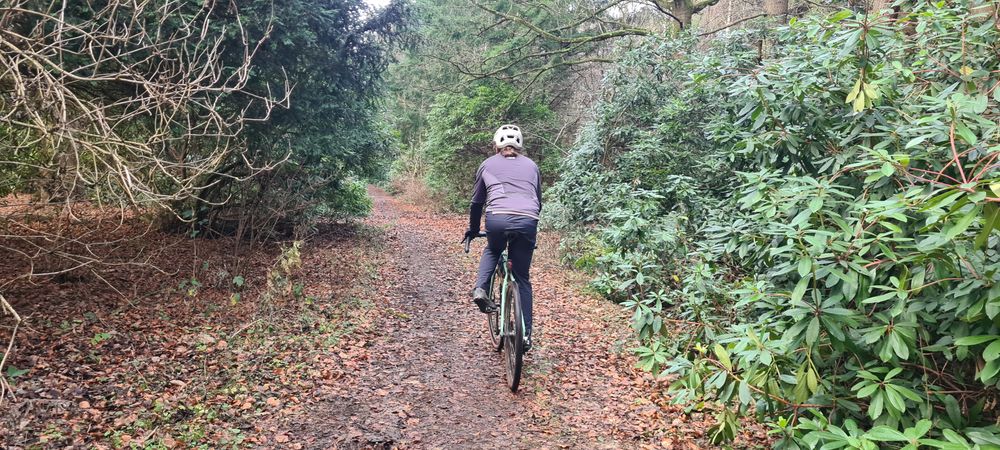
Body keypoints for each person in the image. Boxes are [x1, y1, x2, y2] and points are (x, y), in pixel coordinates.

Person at [464, 124, 542, 350]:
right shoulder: (532, 166)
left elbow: (477, 202)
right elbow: (538, 200)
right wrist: (529, 226)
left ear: (496, 145)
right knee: (522, 278)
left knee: (493, 249)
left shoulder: (487, 164)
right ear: (520, 145)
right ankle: (526, 336)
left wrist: (472, 228)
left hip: (497, 219)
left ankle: (481, 288)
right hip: (528, 220)